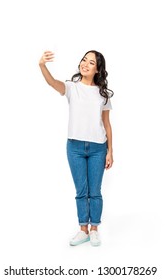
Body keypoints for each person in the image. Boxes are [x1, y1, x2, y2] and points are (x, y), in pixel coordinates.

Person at [39, 50, 114, 246]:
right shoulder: (72, 87)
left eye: (91, 62)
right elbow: (52, 82)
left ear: (98, 69)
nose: (85, 64)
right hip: (75, 148)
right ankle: (83, 230)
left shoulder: (103, 94)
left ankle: (95, 228)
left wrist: (110, 151)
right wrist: (42, 66)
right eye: (83, 60)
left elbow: (107, 124)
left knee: (95, 191)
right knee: (81, 190)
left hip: (98, 147)